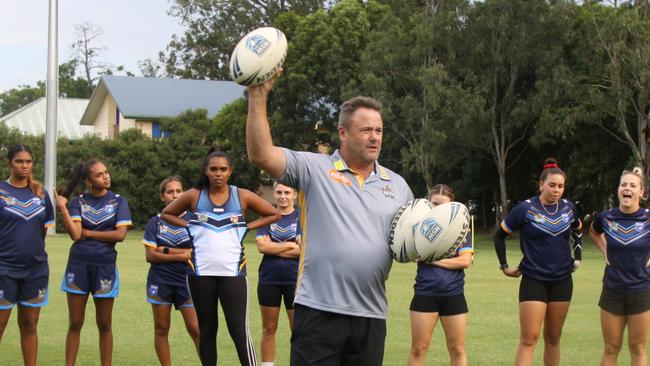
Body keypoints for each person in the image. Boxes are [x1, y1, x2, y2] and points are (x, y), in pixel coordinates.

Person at [246, 75, 414, 366]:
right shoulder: (314, 168)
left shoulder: (398, 186)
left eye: (379, 130)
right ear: (343, 133)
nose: (374, 137)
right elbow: (261, 154)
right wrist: (258, 95)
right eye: (365, 130)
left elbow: (408, 245)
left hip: (371, 315)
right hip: (318, 311)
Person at [161, 148, 279, 366]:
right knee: (206, 331)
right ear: (206, 171)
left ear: (230, 171)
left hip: (233, 273)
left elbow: (274, 214)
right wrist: (190, 225)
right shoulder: (194, 195)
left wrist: (247, 226)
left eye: (223, 169)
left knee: (239, 331)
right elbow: (167, 214)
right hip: (200, 273)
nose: (218, 173)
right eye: (213, 169)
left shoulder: (240, 195)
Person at [493, 158, 583, 366]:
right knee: (529, 339)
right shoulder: (525, 209)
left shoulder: (569, 208)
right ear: (541, 184)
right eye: (552, 185)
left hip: (562, 280)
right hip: (534, 279)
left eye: (560, 186)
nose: (556, 190)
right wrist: (504, 266)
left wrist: (577, 258)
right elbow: (499, 236)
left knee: (553, 338)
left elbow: (578, 229)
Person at [56, 159, 132, 366]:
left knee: (105, 324)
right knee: (75, 323)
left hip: (105, 267)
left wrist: (88, 233)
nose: (106, 176)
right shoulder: (77, 202)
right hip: (78, 266)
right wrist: (62, 209)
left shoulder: (118, 201)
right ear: (89, 180)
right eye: (99, 174)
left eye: (106, 172)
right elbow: (75, 235)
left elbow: (120, 234)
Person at [589, 167, 650, 366]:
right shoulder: (606, 217)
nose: (627, 188)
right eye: (624, 184)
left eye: (633, 185)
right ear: (618, 190)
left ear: (641, 192)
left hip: (641, 291)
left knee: (638, 348)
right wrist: (605, 250)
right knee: (611, 348)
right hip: (612, 291)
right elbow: (593, 232)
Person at [0, 144, 54, 366]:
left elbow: (41, 233)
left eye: (28, 161)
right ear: (9, 163)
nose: (24, 166)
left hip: (36, 270)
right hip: (4, 269)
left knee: (30, 326)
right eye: (19, 161)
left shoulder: (41, 194)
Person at [407, 184, 472, 366]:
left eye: (443, 205)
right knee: (418, 349)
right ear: (428, 202)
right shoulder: (417, 230)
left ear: (452, 205)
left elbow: (465, 261)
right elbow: (407, 254)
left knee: (457, 349)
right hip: (425, 293)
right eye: (435, 204)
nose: (438, 209)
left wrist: (432, 259)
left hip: (453, 294)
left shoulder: (462, 230)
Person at [142, 176, 199, 365]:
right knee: (161, 328)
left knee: (196, 329)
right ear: (162, 197)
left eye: (178, 191)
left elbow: (196, 252)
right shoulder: (155, 222)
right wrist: (180, 255)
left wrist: (164, 249)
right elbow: (150, 255)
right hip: (160, 280)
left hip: (187, 280)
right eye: (170, 191)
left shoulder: (194, 220)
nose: (175, 195)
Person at [256, 182, 301, 366]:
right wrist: (290, 245)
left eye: (287, 192)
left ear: (295, 194)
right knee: (269, 328)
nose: (283, 196)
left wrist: (273, 247)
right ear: (274, 194)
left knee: (297, 331)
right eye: (279, 192)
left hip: (294, 281)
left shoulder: (300, 217)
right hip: (268, 280)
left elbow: (302, 250)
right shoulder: (267, 217)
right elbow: (261, 246)